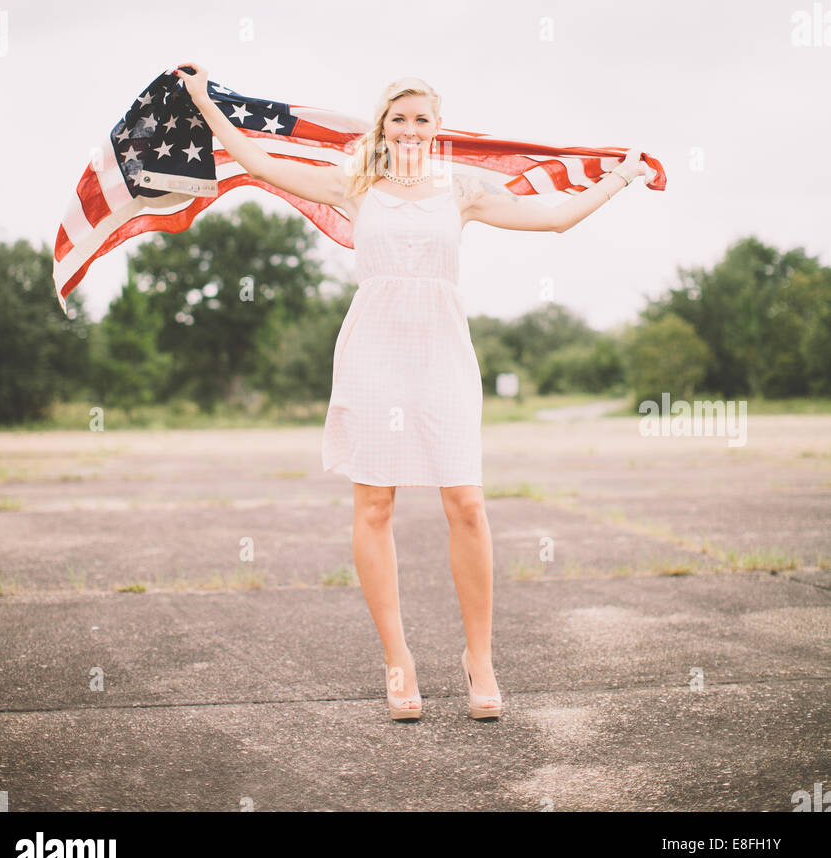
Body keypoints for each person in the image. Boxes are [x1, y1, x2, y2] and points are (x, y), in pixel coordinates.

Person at [174, 63, 643, 722]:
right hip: (374, 354)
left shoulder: (464, 192)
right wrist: (204, 102)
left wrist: (622, 175)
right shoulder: (355, 183)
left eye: (423, 118)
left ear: (437, 127)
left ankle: (479, 659)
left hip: (443, 355)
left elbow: (556, 219)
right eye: (401, 117)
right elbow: (257, 161)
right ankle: (398, 661)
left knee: (469, 504)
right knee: (374, 506)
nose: (412, 128)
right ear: (384, 126)